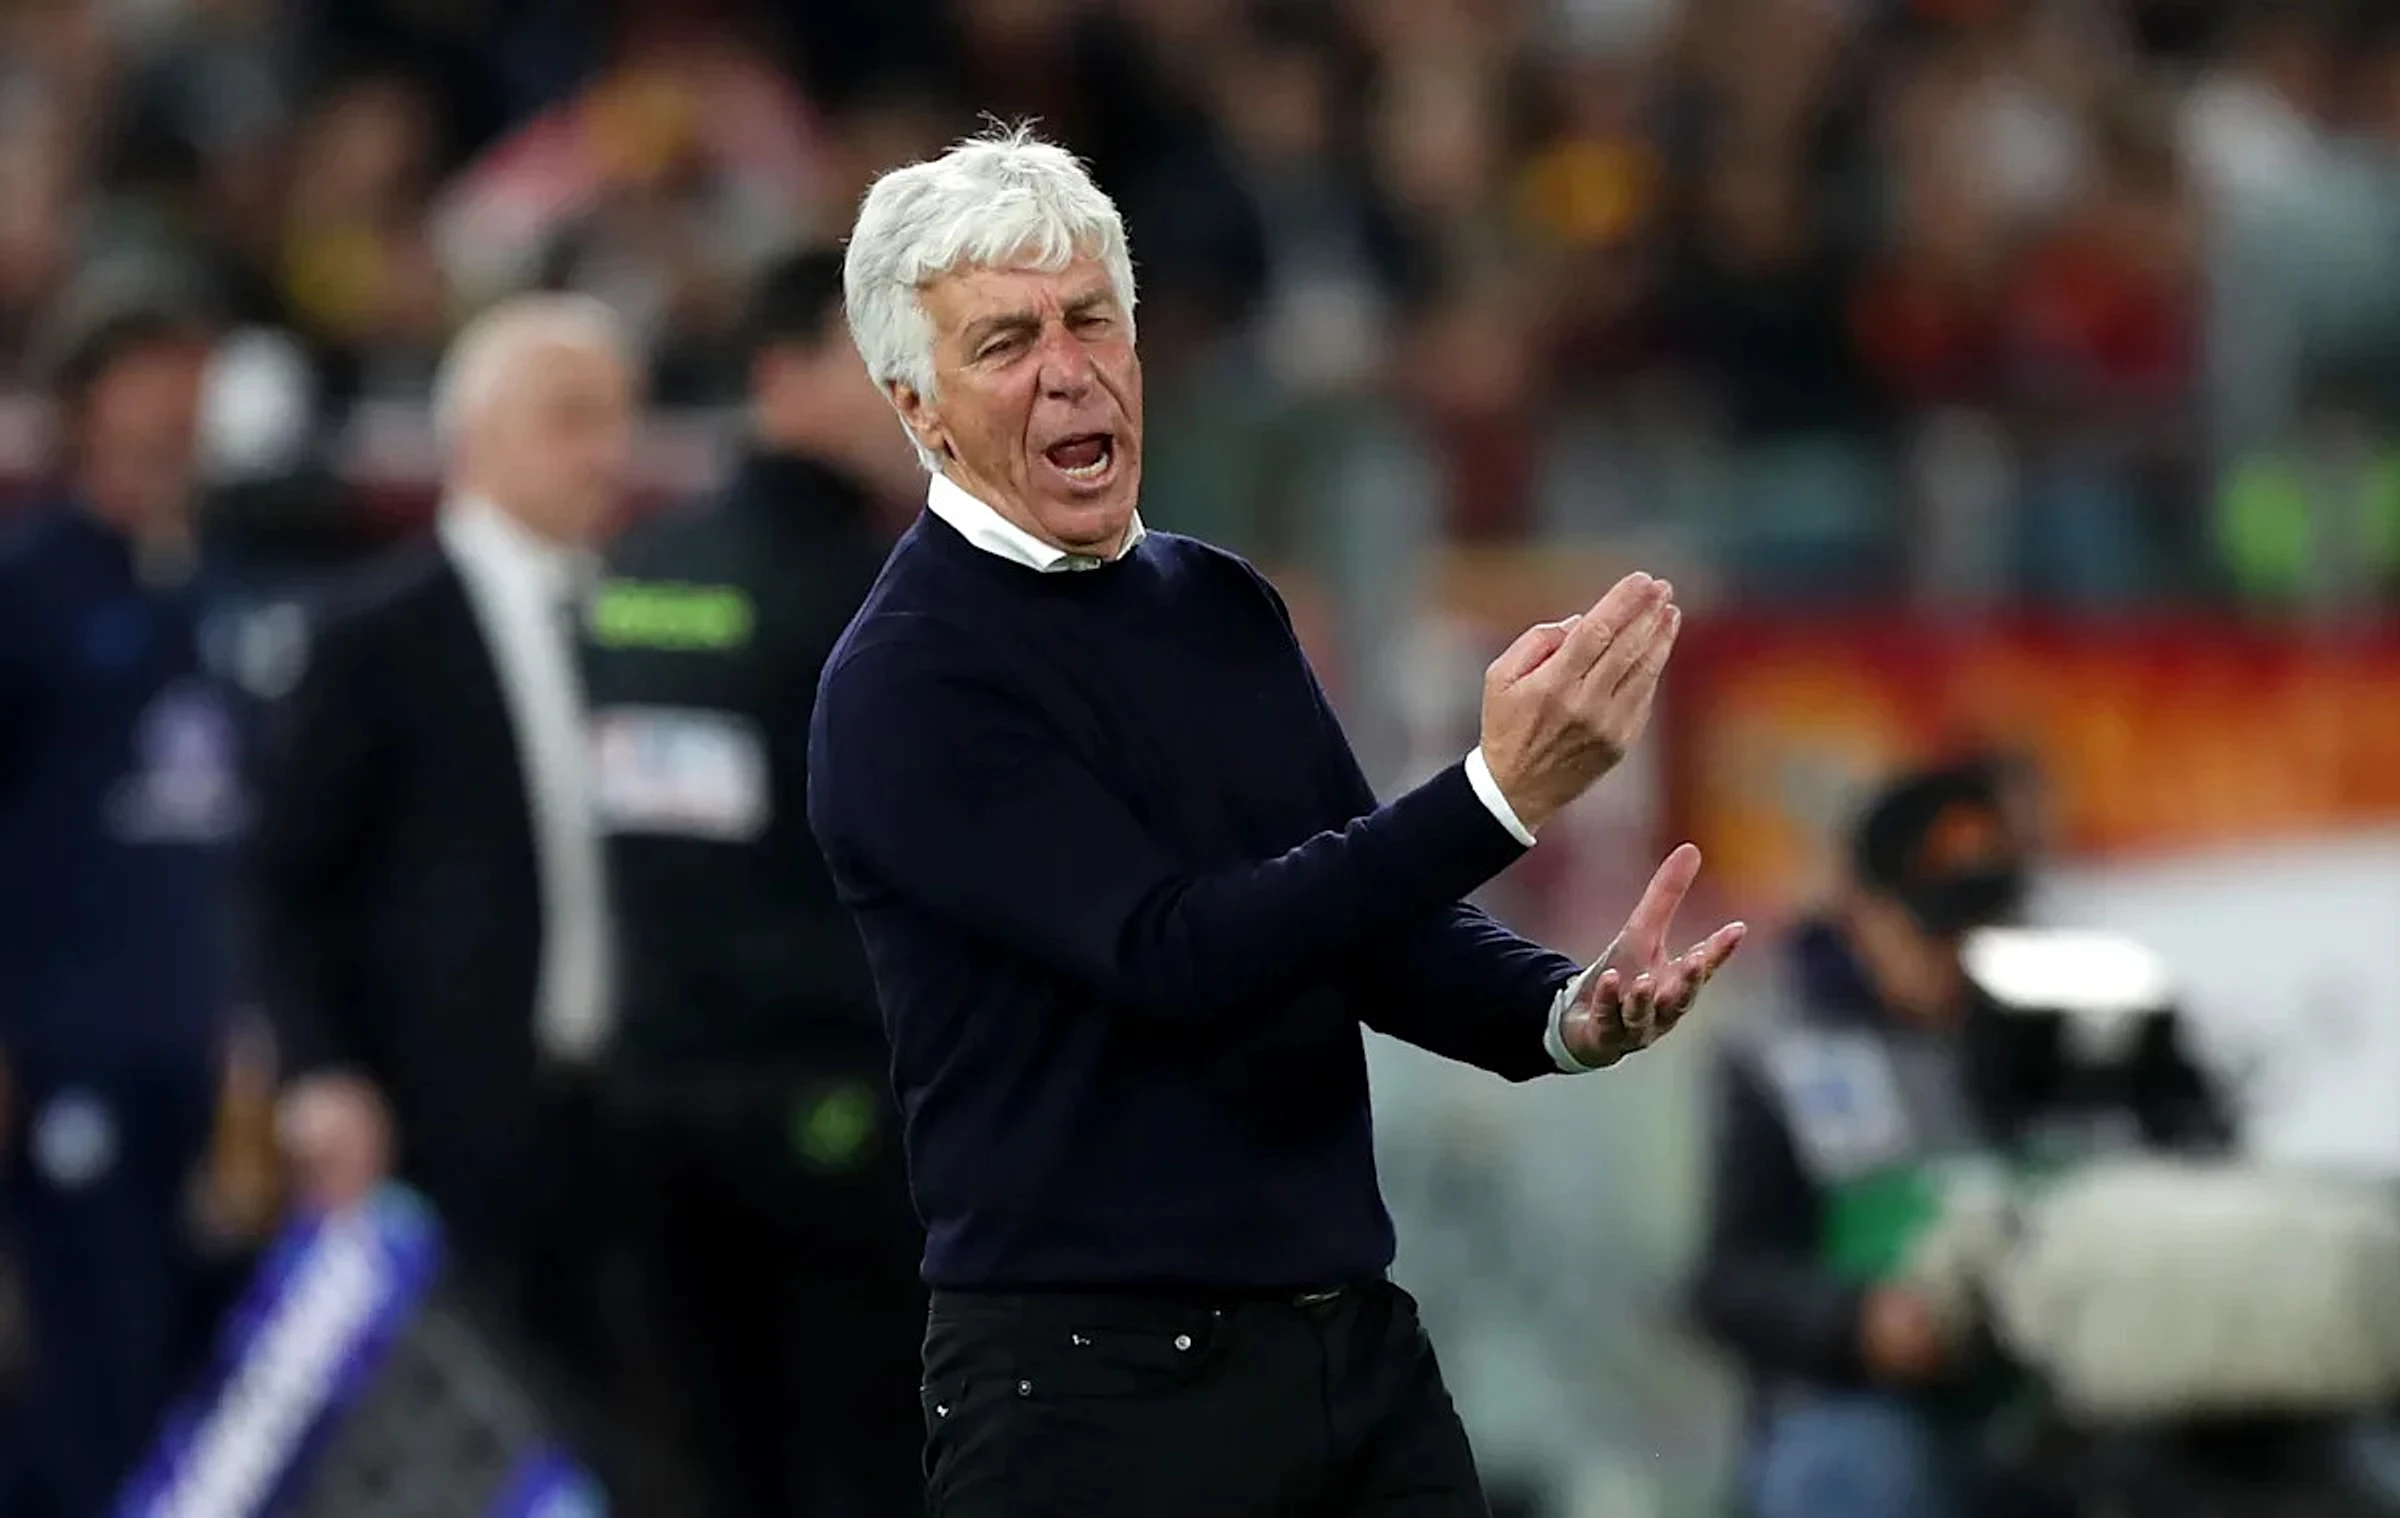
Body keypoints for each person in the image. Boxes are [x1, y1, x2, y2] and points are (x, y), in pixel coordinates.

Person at [806, 126, 1747, 1518]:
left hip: (1351, 1349)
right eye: (1006, 341)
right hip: (1092, 1391)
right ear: (918, 406)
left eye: (1092, 319)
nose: (1068, 367)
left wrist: (1560, 1009)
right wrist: (1495, 798)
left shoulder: (1219, 604)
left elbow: (1362, 924)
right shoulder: (910, 680)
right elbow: (1174, 955)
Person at [242, 296, 636, 1424]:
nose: (608, 453)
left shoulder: (645, 621)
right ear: (477, 436)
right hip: (440, 1118)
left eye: (619, 419)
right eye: (571, 418)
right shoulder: (374, 634)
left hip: (621, 1120)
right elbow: (281, 879)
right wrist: (319, 1069)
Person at [580, 248, 924, 1517]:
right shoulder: (887, 593)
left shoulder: (637, 576)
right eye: (881, 363)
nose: (917, 394)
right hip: (837, 1107)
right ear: (781, 373)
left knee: (701, 1471)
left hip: (653, 1097)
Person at [1688, 758, 2221, 1518]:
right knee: (1861, 1471)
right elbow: (1729, 1282)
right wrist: (1860, 1323)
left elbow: (2206, 1170)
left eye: (1988, 923)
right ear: (1862, 912)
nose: (1968, 954)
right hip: (1877, 1407)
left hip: (2082, 1397)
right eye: (1937, 929)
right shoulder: (1782, 1057)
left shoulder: (2107, 1025)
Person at [0, 290, 241, 1516]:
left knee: (203, 1388)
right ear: (82, 404)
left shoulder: (229, 592)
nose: (173, 411)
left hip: (203, 1055)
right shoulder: (27, 585)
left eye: (189, 379)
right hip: (66, 1049)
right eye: (144, 379)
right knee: (87, 1378)